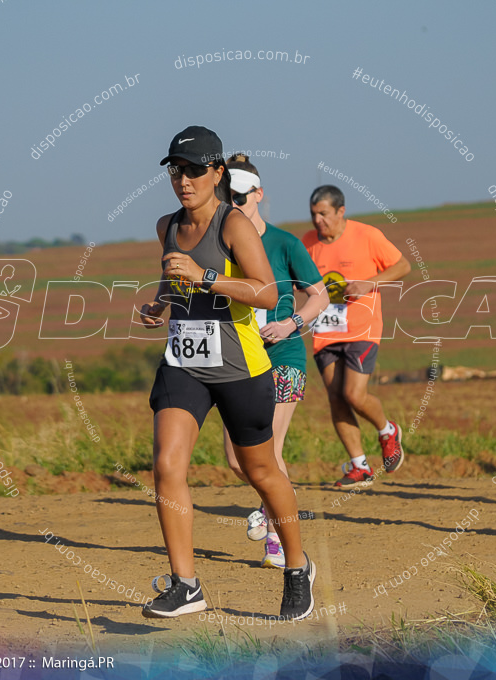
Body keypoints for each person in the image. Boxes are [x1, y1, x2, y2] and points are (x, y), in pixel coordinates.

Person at [138, 126, 315, 619]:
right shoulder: (167, 225)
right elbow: (174, 282)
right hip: (184, 363)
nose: (184, 179)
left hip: (239, 365)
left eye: (194, 169)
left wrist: (208, 278)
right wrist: (160, 306)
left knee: (261, 471)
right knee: (167, 466)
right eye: (176, 170)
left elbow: (266, 292)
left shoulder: (232, 224)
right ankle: (185, 584)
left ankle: (297, 568)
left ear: (217, 173)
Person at [221, 154, 329, 569]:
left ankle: (279, 540)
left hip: (283, 355)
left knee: (271, 450)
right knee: (237, 459)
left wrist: (290, 324)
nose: (234, 204)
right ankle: (269, 503)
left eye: (241, 197)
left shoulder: (285, 243)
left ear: (259, 195)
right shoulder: (220, 243)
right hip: (237, 360)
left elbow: (319, 295)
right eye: (227, 198)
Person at [302, 185, 411, 489]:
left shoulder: (367, 236)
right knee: (335, 397)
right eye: (313, 215)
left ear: (340, 211)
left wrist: (368, 284)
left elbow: (403, 266)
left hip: (362, 329)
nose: (318, 221)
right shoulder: (307, 243)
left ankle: (387, 430)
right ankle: (359, 466)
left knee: (353, 394)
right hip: (325, 330)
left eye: (324, 214)